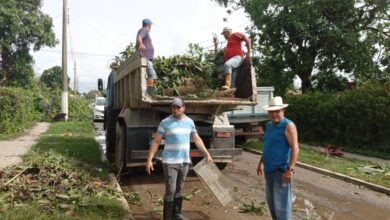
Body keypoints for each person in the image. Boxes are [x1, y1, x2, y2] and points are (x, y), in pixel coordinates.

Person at [146, 98, 213, 220]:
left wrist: (206, 153)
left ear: (184, 108)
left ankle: (176, 214)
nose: (175, 110)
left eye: (178, 107)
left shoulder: (190, 122)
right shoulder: (165, 122)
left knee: (179, 189)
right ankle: (167, 217)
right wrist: (149, 159)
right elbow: (156, 142)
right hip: (170, 162)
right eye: (173, 107)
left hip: (184, 161)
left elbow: (197, 139)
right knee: (170, 190)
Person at [256, 96, 299, 220]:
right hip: (269, 171)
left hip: (281, 172)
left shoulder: (288, 125)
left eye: (277, 111)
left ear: (283, 111)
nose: (274, 114)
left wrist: (289, 170)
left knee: (282, 207)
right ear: (268, 112)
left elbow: (295, 148)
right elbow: (267, 146)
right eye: (271, 111)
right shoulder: (269, 125)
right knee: (272, 203)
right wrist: (261, 163)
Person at [136, 18, 157, 96]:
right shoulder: (144, 30)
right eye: (151, 25)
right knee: (152, 75)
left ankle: (150, 92)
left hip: (148, 58)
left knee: (149, 76)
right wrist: (141, 44)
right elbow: (139, 37)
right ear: (149, 25)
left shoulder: (144, 31)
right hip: (145, 58)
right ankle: (150, 94)